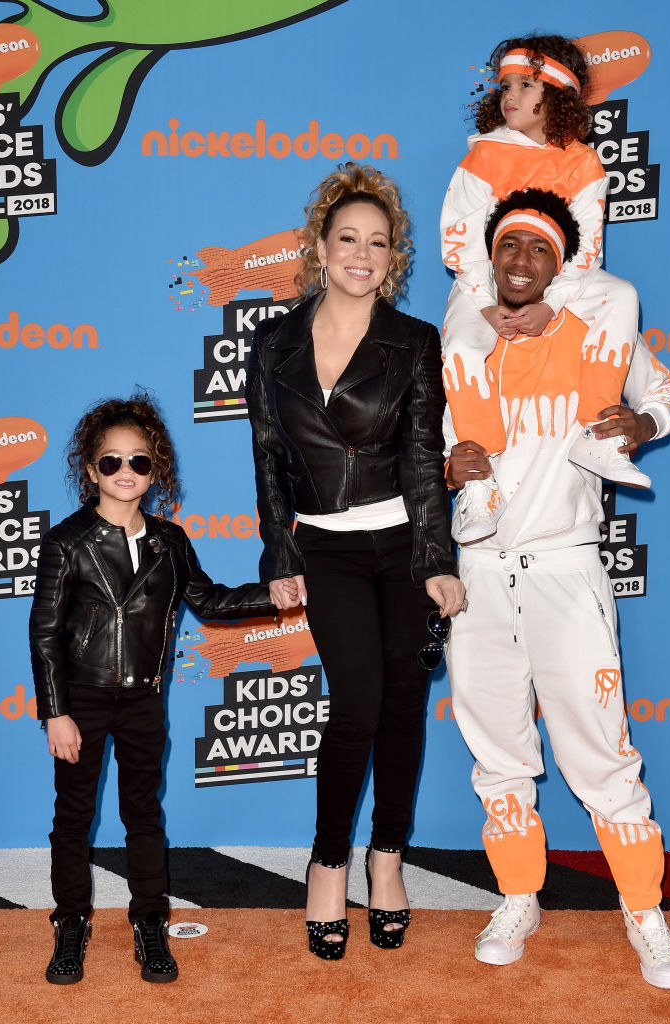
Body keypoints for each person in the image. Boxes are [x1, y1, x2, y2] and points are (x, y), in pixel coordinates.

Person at [444, 189, 670, 989]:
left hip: (564, 566)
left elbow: (666, 395)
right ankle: (518, 895)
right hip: (479, 570)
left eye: (538, 251)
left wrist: (642, 425)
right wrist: (444, 466)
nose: (519, 263)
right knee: (497, 750)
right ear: (489, 257)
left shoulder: (595, 334)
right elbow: (430, 445)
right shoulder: (457, 344)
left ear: (561, 266)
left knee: (602, 752)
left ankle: (643, 912)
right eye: (508, 247)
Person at [246, 162, 465, 960]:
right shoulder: (271, 343)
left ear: (394, 255)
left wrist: (436, 559)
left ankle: (388, 859)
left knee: (403, 705)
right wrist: (278, 548)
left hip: (404, 545)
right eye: (348, 239)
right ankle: (328, 863)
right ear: (320, 245)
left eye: (378, 242)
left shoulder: (413, 343)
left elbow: (420, 458)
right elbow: (268, 456)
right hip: (326, 548)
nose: (362, 254)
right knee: (358, 706)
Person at [29, 394, 274, 985]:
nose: (125, 474)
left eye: (139, 463)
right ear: (90, 470)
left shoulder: (170, 541)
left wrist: (275, 595)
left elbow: (210, 601)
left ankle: (148, 925)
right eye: (110, 463)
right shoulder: (67, 541)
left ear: (155, 468)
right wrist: (55, 714)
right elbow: (44, 634)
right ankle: (70, 924)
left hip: (143, 700)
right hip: (81, 700)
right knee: (73, 817)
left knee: (143, 814)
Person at [441, 33, 648, 545]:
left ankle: (596, 436)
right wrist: (486, 305)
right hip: (485, 286)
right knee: (463, 347)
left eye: (525, 85)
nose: (510, 95)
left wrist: (553, 307)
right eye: (505, 85)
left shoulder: (583, 164)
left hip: (565, 283)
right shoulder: (483, 156)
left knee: (621, 296)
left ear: (554, 96)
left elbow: (586, 250)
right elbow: (460, 239)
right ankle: (479, 483)